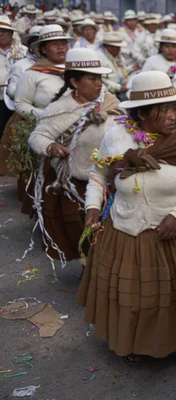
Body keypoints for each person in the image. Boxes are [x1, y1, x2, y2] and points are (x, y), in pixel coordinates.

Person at [77, 70, 176, 365]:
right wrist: (92, 208)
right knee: (132, 294)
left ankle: (175, 339)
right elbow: (98, 173)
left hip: (175, 228)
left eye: (174, 108)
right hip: (125, 226)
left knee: (171, 293)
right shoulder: (115, 137)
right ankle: (133, 342)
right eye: (164, 110)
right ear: (143, 114)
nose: (173, 115)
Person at [27, 48, 121, 264]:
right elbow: (37, 136)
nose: (98, 83)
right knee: (88, 236)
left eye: (99, 78)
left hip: (113, 182)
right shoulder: (59, 110)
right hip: (79, 184)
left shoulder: (110, 104)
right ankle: (91, 275)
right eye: (91, 78)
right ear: (75, 82)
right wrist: (51, 147)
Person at [0, 25, 41, 176]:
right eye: (36, 43)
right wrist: (28, 94)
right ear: (30, 46)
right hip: (27, 116)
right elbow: (11, 89)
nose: (40, 48)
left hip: (51, 116)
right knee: (27, 160)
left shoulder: (57, 64)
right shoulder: (22, 65)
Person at [15, 25, 71, 119]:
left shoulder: (76, 69)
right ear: (44, 49)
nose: (60, 47)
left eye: (63, 43)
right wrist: (45, 116)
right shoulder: (32, 74)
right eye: (54, 44)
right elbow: (21, 104)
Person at [0, 15, 27, 136]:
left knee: (16, 133)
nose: (1, 34)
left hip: (18, 99)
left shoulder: (23, 51)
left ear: (11, 33)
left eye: (4, 31)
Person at [96, 32, 128, 100]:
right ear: (109, 47)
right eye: (117, 47)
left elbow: (121, 70)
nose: (119, 49)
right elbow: (102, 79)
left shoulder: (118, 56)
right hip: (108, 93)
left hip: (121, 88)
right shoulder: (98, 58)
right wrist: (119, 88)